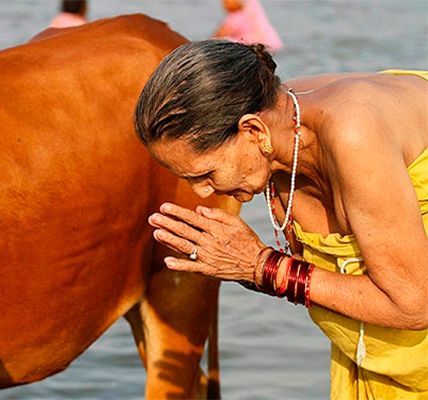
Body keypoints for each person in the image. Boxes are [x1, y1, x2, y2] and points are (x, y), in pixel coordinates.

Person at [133, 39, 428, 399]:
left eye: (205, 173)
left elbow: (414, 305)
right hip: (376, 365)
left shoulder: (352, 134)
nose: (201, 192)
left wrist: (261, 266)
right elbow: (318, 283)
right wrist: (239, 266)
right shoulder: (276, 122)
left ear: (253, 131)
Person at [214, 0, 282, 53]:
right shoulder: (250, 15)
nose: (224, 4)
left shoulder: (235, 18)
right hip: (270, 46)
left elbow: (217, 37)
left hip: (256, 48)